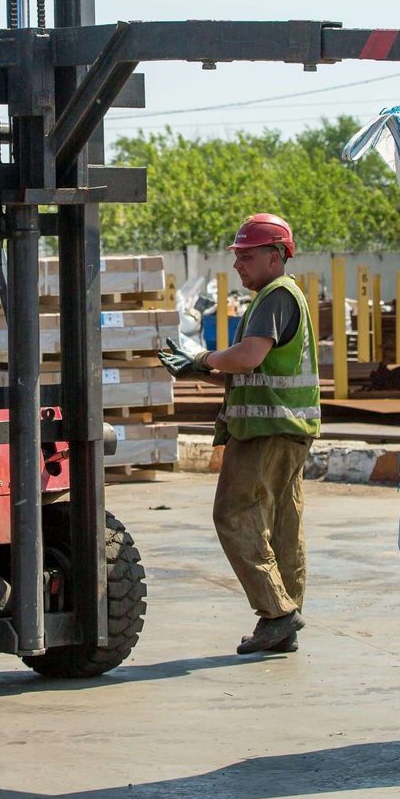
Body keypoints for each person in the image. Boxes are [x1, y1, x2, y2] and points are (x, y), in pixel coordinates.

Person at [159, 214, 321, 656]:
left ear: (275, 256)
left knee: (233, 513)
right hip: (286, 429)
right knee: (283, 526)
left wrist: (205, 357)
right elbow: (255, 370)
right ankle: (283, 619)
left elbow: (247, 358)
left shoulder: (274, 296)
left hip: (265, 431)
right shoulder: (288, 298)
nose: (238, 266)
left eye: (246, 257)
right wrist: (197, 366)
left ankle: (277, 613)